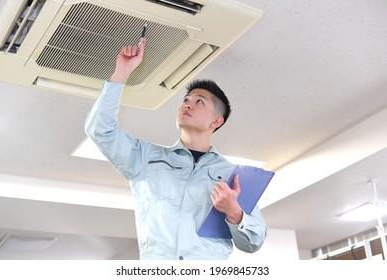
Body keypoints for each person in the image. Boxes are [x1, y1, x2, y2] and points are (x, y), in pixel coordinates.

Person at [85, 38, 268, 260]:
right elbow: (100, 130)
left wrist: (234, 212)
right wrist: (122, 72)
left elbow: (254, 242)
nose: (187, 104)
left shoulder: (234, 177)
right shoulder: (146, 158)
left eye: (199, 101)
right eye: (186, 99)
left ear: (216, 121)